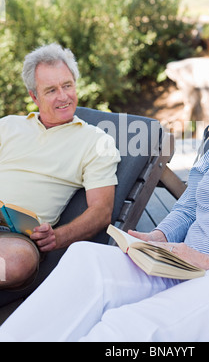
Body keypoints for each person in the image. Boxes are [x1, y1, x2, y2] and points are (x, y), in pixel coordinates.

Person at [0, 41, 209, 342]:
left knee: (128, 324)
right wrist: (158, 238)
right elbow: (187, 208)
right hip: (188, 266)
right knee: (85, 259)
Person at [0, 43, 120, 290]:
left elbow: (101, 212)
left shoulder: (97, 142)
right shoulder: (8, 126)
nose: (63, 96)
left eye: (67, 85)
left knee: (15, 263)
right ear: (34, 96)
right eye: (51, 90)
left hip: (16, 240)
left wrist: (57, 237)